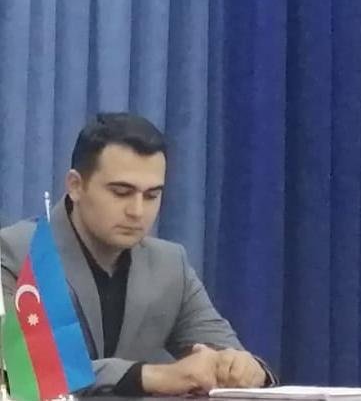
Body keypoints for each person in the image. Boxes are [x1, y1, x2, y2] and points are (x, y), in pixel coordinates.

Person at [0, 113, 276, 396]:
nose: (137, 211)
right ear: (75, 186)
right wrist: (150, 376)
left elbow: (225, 352)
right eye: (121, 192)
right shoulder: (16, 252)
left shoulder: (170, 265)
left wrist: (246, 369)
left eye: (152, 195)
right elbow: (20, 372)